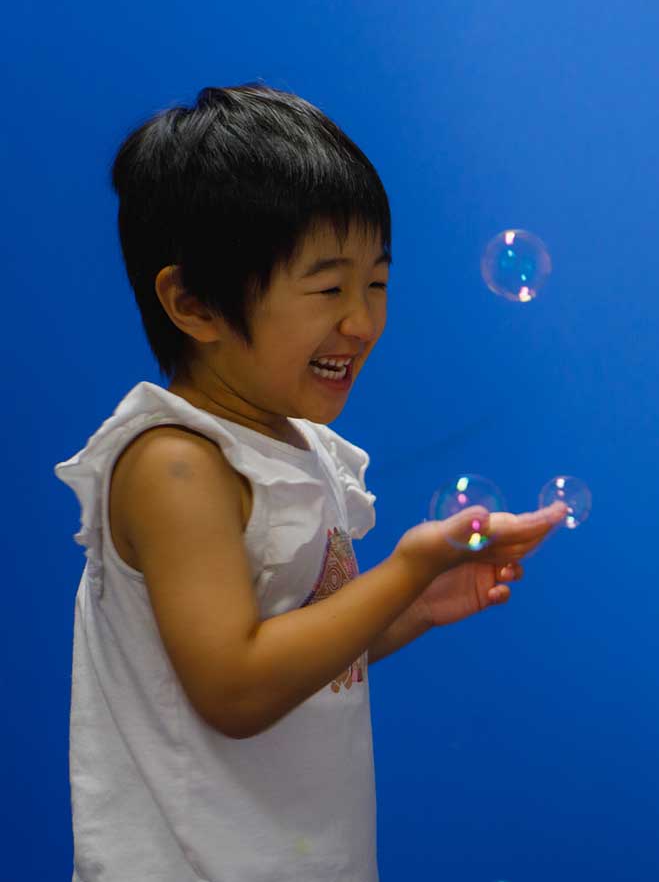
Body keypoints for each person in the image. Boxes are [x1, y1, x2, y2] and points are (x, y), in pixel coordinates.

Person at [55, 83, 568, 881]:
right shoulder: (177, 464)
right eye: (328, 288)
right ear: (192, 303)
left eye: (377, 283)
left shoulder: (297, 446)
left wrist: (411, 605)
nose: (362, 321)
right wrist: (404, 567)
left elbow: (303, 650)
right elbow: (236, 687)